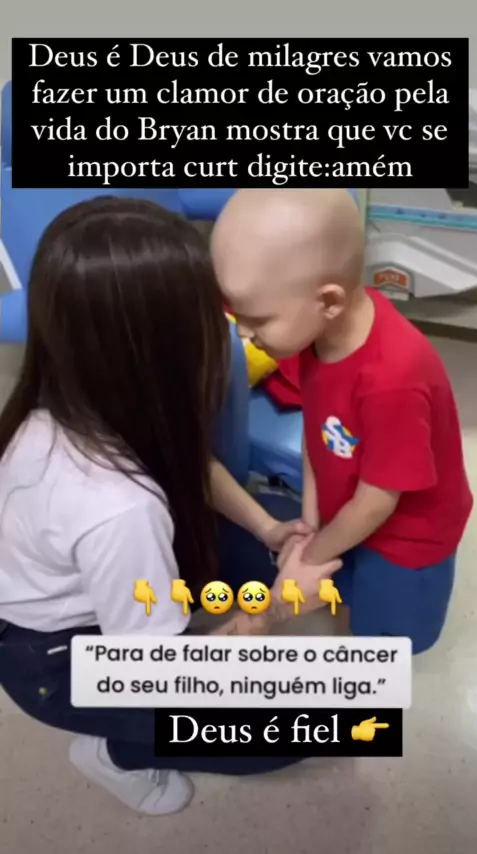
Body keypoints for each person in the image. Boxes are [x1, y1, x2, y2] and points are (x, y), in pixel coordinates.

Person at [0, 196, 340, 816]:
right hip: (54, 663)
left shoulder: (67, 405)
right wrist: (275, 610)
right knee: (301, 729)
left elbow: (185, 459)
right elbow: (153, 670)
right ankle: (117, 754)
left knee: (251, 556)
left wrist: (268, 527)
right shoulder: (118, 507)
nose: (234, 333)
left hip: (66, 603)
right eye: (214, 319)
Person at [211, 188, 474, 656]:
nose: (244, 334)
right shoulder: (313, 332)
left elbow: (376, 503)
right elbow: (317, 433)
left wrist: (308, 559)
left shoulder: (394, 378)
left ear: (328, 301)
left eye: (257, 319)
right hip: (345, 509)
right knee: (348, 594)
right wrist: (312, 525)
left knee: (386, 639)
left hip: (406, 541)